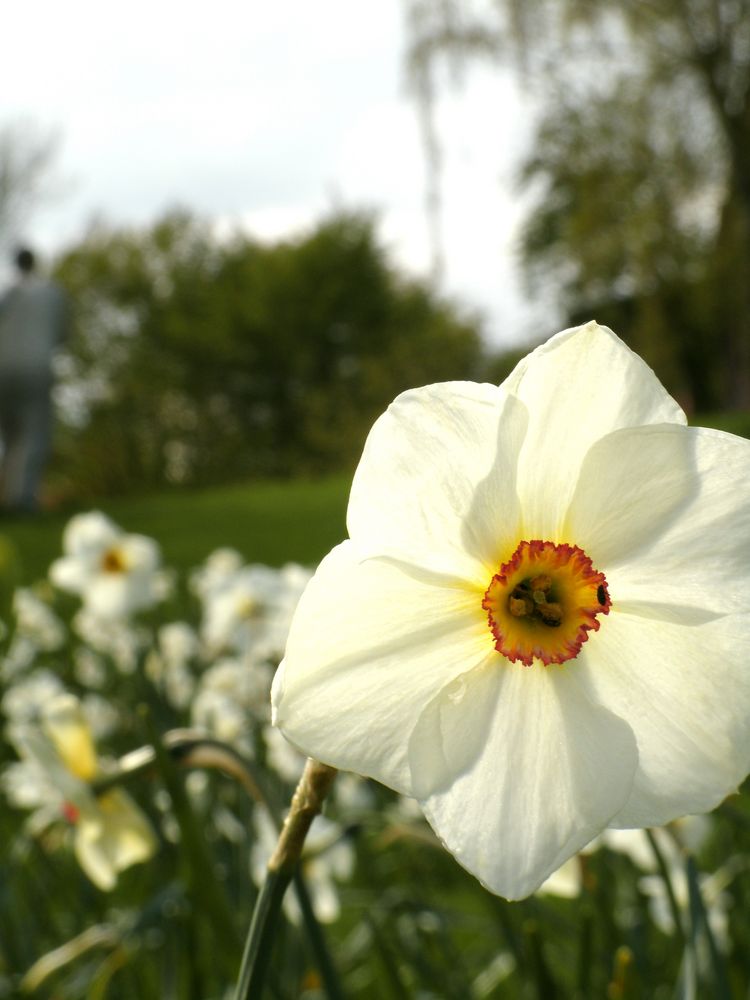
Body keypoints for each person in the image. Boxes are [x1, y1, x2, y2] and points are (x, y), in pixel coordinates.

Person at [0, 247, 69, 512]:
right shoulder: (52, 293)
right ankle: (21, 500)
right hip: (35, 369)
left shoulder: (6, 294)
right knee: (32, 435)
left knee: (10, 436)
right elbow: (63, 334)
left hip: (3, 370)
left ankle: (10, 498)